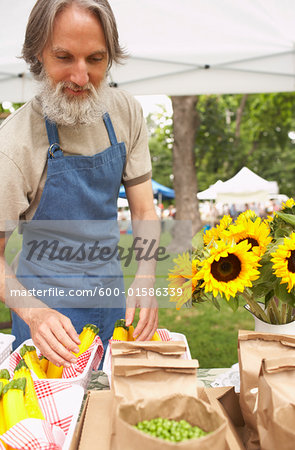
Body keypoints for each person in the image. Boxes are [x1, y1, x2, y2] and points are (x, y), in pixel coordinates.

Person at [0, 0, 159, 368]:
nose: (81, 76)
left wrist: (146, 276)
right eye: (64, 57)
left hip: (112, 296)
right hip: (46, 315)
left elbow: (144, 209)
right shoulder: (14, 146)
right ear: (37, 55)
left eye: (95, 59)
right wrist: (35, 315)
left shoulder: (125, 113)